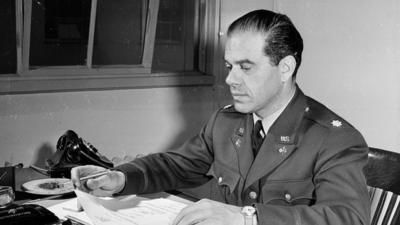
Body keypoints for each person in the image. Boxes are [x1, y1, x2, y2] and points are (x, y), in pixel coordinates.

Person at [71, 9, 370, 225]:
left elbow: (348, 217)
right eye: (229, 66)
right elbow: (177, 166)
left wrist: (247, 218)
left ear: (286, 68)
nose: (230, 79)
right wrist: (122, 177)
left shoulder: (334, 139)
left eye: (245, 67)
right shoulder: (226, 121)